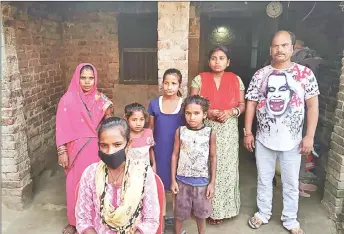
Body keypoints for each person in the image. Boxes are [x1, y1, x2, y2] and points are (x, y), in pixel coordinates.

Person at [244, 31, 319, 234]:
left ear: (293, 48)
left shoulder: (304, 74)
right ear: (270, 49)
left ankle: (290, 220)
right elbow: (251, 104)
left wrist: (309, 136)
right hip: (263, 139)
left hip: (293, 141)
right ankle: (263, 213)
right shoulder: (260, 75)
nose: (280, 49)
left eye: (284, 45)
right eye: (276, 46)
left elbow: (312, 107)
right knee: (264, 179)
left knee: (291, 182)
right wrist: (248, 132)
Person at [190, 46, 246, 225]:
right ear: (209, 61)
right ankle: (203, 209)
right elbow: (192, 105)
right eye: (214, 58)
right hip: (205, 130)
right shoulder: (199, 79)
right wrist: (209, 112)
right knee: (204, 166)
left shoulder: (236, 80)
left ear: (228, 62)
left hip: (228, 131)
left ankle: (223, 210)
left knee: (225, 169)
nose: (217, 61)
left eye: (222, 58)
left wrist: (231, 112)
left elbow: (242, 104)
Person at [56, 63, 114, 234]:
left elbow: (109, 126)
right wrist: (62, 152)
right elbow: (61, 127)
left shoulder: (102, 100)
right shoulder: (67, 100)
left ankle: (96, 220)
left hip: (97, 151)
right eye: (83, 78)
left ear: (95, 79)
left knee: (96, 185)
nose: (87, 81)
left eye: (91, 78)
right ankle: (73, 222)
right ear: (77, 78)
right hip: (75, 151)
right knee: (74, 186)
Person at [75, 117, 160, 234]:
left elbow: (150, 220)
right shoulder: (90, 173)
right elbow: (83, 219)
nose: (110, 152)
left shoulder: (143, 172)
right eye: (104, 145)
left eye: (117, 144)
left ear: (129, 144)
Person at [170, 95, 217, 234]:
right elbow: (175, 155)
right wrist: (173, 180)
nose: (192, 117)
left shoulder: (210, 133)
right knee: (179, 214)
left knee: (201, 214)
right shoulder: (180, 132)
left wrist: (212, 183)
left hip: (202, 182)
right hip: (182, 181)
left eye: (196, 113)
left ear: (204, 115)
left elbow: (213, 157)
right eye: (188, 113)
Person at [148, 68, 185, 226]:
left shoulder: (184, 105)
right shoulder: (154, 104)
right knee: (160, 187)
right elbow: (150, 130)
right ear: (162, 83)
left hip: (179, 152)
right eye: (166, 83)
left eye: (173, 83)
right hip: (160, 151)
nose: (169, 87)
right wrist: (151, 154)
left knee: (177, 187)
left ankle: (177, 221)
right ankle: (161, 221)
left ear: (179, 85)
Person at [124, 102, 156, 172]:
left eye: (141, 119)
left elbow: (150, 149)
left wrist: (154, 165)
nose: (138, 123)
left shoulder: (148, 133)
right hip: (130, 171)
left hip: (146, 170)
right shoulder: (124, 135)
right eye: (134, 120)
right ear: (127, 119)